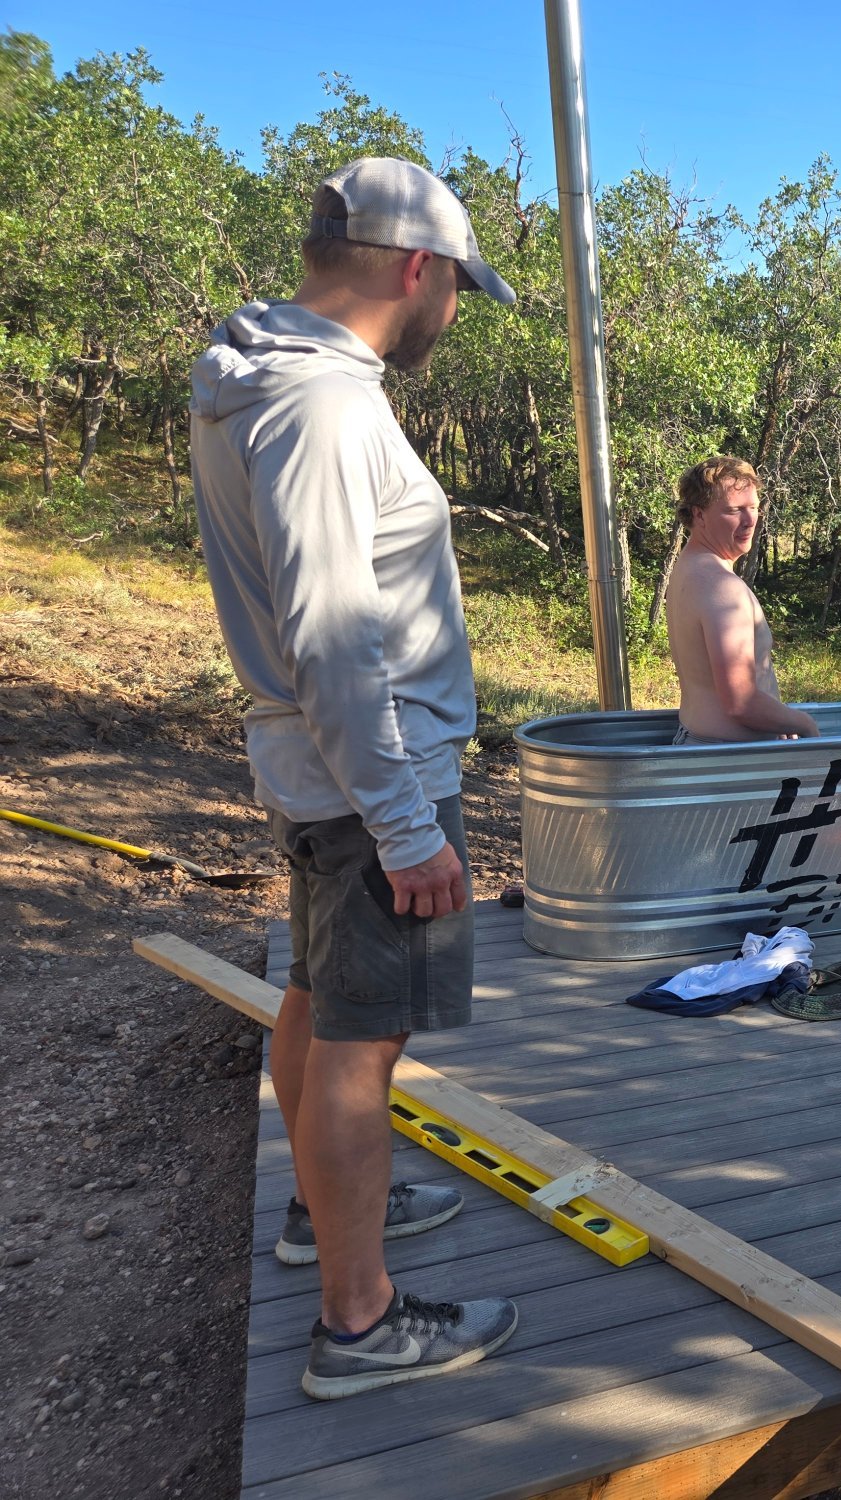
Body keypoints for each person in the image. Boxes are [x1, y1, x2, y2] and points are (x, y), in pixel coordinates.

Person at [189, 157, 521, 1399]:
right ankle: (362, 1322)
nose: (450, 314)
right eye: (454, 288)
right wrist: (405, 825)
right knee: (364, 1042)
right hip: (368, 777)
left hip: (316, 765)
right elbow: (334, 633)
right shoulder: (324, 410)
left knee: (320, 1000)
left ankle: (316, 1217)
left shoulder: (255, 380)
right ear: (416, 268)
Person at [665, 456, 820, 743]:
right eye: (735, 510)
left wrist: (776, 717)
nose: (750, 520)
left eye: (753, 508)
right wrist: (805, 723)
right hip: (728, 762)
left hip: (698, 742)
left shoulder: (689, 568)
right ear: (698, 515)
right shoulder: (722, 588)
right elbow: (741, 703)